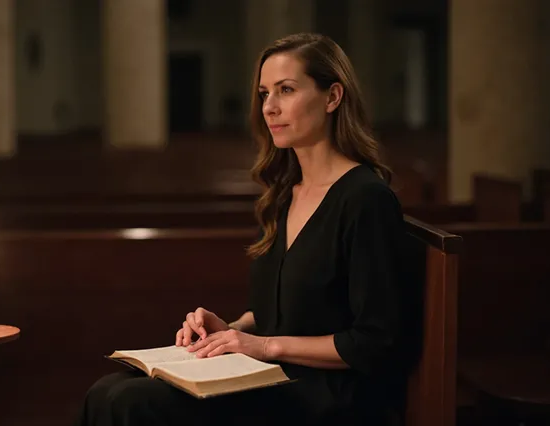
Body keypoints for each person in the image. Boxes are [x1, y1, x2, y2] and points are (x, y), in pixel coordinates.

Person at [74, 32, 414, 426]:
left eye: (286, 90)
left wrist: (261, 346)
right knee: (106, 391)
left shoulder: (365, 199)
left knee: (132, 404)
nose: (270, 107)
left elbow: (376, 342)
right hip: (276, 374)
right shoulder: (287, 193)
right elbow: (285, 308)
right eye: (264, 93)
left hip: (330, 393)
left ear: (332, 97)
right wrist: (229, 330)